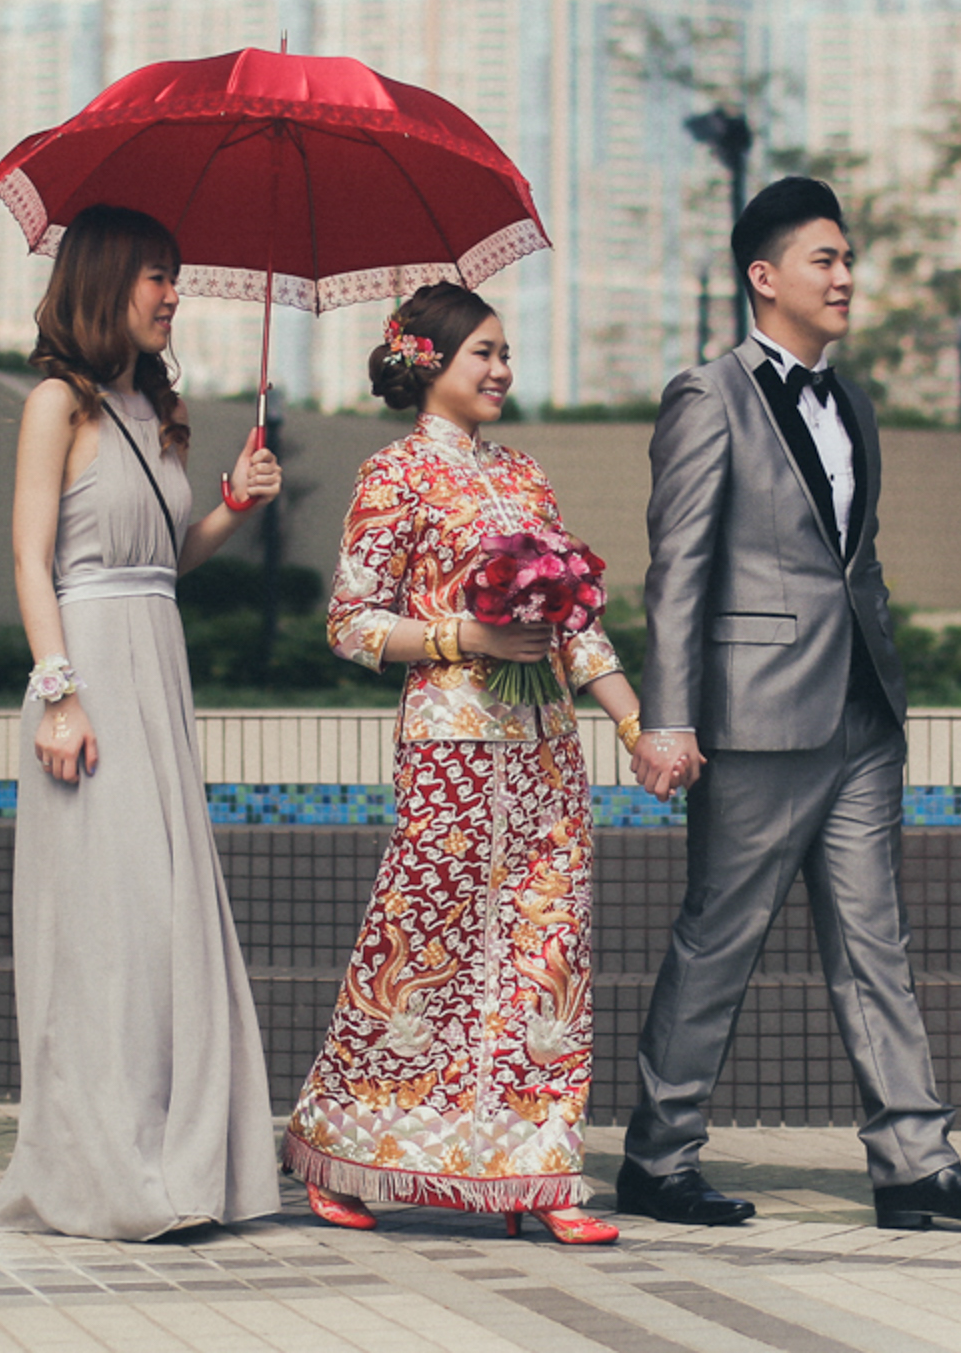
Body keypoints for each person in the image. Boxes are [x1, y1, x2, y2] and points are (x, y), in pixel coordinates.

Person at [620, 178, 961, 1232]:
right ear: (765, 276)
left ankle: (914, 1163)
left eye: (850, 258)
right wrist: (666, 718)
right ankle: (657, 1157)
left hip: (862, 714)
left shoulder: (852, 403)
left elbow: (856, 560)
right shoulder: (708, 395)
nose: (847, 276)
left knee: (876, 943)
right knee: (720, 937)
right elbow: (677, 570)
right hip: (757, 717)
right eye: (825, 258)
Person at [282, 283, 651, 1245]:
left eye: (505, 353)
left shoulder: (526, 476)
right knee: (419, 949)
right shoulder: (393, 475)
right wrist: (466, 634)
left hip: (547, 754)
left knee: (548, 955)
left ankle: (538, 1171)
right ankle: (342, 1147)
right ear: (428, 362)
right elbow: (351, 624)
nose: (501, 369)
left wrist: (635, 726)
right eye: (483, 352)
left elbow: (579, 627)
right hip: (451, 751)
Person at [0, 204, 287, 1241]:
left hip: (157, 663)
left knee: (164, 923)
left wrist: (234, 506)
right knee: (105, 928)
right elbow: (31, 559)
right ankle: (105, 1170)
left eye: (175, 274)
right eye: (157, 274)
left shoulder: (158, 407)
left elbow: (163, 558)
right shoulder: (55, 405)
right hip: (89, 676)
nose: (173, 293)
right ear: (106, 279)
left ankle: (176, 1159)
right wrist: (59, 693)